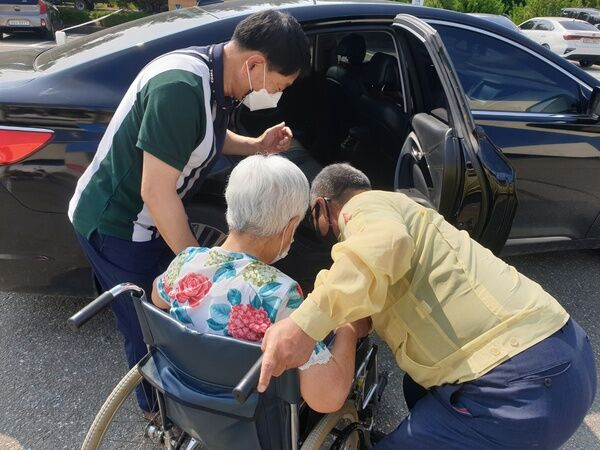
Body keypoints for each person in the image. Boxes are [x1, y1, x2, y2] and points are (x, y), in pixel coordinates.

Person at [67, 10, 311, 412]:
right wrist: (202, 265)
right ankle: (159, 411)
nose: (276, 94)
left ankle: (183, 398)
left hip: (145, 220)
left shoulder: (215, 80)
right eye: (279, 85)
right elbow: (156, 191)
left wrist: (256, 145)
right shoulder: (180, 86)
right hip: (117, 226)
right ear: (254, 64)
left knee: (178, 302)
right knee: (149, 327)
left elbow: (204, 133)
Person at [258, 163, 597, 449]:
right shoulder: (410, 211)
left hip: (519, 387)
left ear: (321, 207)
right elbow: (382, 276)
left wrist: (303, 324)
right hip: (565, 356)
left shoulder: (362, 209)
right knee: (416, 387)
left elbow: (384, 245)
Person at [151, 155, 369, 412]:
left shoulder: (187, 260)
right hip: (249, 417)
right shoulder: (278, 294)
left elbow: (157, 297)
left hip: (187, 399)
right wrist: (348, 329)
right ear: (288, 229)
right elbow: (326, 398)